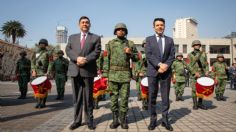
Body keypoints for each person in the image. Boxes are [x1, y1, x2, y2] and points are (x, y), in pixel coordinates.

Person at [66, 16, 101, 130]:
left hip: (88, 70)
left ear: (89, 24)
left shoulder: (95, 37)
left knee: (88, 98)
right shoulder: (72, 37)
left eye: (87, 22)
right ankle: (76, 121)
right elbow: (68, 50)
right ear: (79, 24)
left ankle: (89, 121)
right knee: (76, 98)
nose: (85, 24)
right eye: (83, 22)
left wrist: (84, 59)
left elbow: (97, 52)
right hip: (75, 70)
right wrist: (77, 59)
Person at [106, 23, 138, 129]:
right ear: (115, 32)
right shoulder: (110, 43)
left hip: (125, 75)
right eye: (118, 29)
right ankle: (115, 120)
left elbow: (137, 59)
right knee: (113, 98)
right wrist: (106, 75)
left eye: (123, 29)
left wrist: (130, 53)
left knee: (124, 98)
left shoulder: (130, 43)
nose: (120, 31)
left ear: (126, 31)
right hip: (113, 75)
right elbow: (107, 59)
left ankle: (123, 119)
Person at [145, 18, 175, 131]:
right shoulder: (149, 39)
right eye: (157, 25)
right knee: (152, 97)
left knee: (165, 97)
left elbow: (172, 55)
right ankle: (153, 120)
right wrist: (159, 65)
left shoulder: (170, 40)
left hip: (166, 72)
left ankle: (165, 120)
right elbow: (149, 54)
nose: (159, 27)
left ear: (164, 26)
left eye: (161, 25)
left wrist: (166, 66)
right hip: (153, 72)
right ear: (153, 27)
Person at [186, 40, 209, 110]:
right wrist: (194, 72)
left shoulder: (204, 54)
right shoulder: (190, 55)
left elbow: (206, 64)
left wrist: (207, 71)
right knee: (194, 89)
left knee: (202, 89)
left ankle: (200, 103)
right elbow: (188, 65)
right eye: (196, 45)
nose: (197, 46)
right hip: (194, 75)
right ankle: (195, 104)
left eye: (198, 45)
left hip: (202, 74)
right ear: (193, 46)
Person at [31, 38, 51, 108]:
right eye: (41, 44)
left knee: (44, 88)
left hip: (44, 73)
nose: (42, 45)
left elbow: (51, 63)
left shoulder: (49, 53)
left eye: (43, 44)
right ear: (39, 44)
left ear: (46, 45)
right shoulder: (35, 52)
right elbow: (32, 62)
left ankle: (43, 102)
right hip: (36, 73)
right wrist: (33, 70)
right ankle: (38, 102)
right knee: (37, 88)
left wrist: (48, 72)